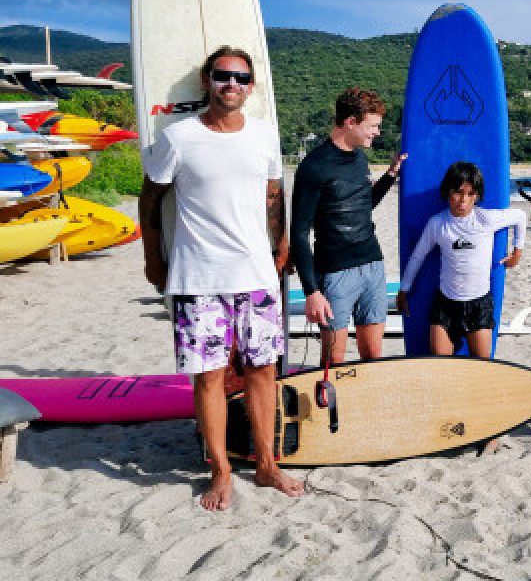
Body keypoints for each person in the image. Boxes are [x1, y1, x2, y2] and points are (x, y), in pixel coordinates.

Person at [138, 46, 303, 511]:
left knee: (263, 370)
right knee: (209, 377)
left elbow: (274, 196)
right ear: (207, 81)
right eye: (223, 76)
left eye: (241, 78)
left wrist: (282, 244)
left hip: (256, 273)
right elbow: (150, 202)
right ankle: (221, 470)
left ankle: (267, 464)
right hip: (199, 277)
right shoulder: (179, 138)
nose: (232, 85)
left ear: (251, 87)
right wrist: (154, 258)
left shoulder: (265, 136)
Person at [289, 87, 404, 366]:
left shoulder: (360, 158)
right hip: (334, 273)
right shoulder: (314, 167)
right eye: (373, 125)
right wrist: (311, 291)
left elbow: (363, 207)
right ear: (351, 121)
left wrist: (390, 176)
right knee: (334, 359)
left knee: (373, 355)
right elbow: (299, 233)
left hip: (372, 265)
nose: (377, 132)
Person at [396, 162, 526, 357]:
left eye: (471, 194)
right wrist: (404, 290)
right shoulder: (438, 223)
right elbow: (418, 256)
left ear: (477, 196)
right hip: (445, 305)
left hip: (479, 304)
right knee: (442, 368)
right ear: (448, 191)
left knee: (481, 370)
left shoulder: (485, 219)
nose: (463, 200)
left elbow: (520, 216)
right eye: (458, 192)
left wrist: (518, 252)